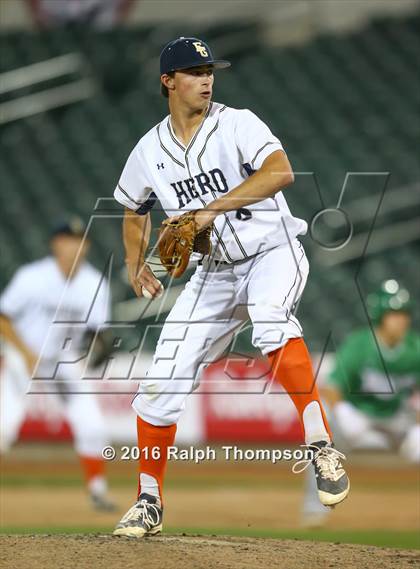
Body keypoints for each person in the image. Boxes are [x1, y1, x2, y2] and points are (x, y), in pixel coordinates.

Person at [112, 37, 350, 538]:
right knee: (161, 380)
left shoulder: (237, 122)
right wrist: (136, 264)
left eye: (210, 70)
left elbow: (280, 172)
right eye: (195, 71)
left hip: (273, 252)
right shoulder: (148, 150)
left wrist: (206, 211)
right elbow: (134, 208)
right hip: (215, 273)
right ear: (168, 81)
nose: (206, 79)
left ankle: (321, 447)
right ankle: (148, 500)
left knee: (269, 319)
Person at [0, 217, 116, 511]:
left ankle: (97, 490)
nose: (75, 246)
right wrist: (25, 353)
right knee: (3, 425)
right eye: (68, 240)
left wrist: (99, 345)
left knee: (91, 423)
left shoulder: (95, 284)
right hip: (23, 355)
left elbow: (96, 333)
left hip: (63, 360)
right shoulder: (32, 276)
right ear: (56, 244)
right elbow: (3, 317)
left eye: (81, 241)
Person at [301, 280, 419, 527]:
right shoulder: (361, 344)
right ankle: (315, 509)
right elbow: (331, 387)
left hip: (397, 418)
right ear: (380, 316)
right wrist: (341, 410)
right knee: (323, 435)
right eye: (394, 314)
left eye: (404, 314)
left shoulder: (414, 348)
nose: (401, 320)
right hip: (358, 416)